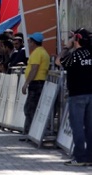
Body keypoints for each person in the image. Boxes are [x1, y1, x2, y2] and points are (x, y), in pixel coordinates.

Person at [55, 28, 92, 165]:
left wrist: (66, 47)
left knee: (77, 127)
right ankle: (89, 157)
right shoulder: (90, 54)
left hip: (77, 95)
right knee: (90, 127)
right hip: (90, 94)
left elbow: (59, 61)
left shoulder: (75, 56)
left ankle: (80, 157)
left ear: (76, 40)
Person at [21, 32, 50, 136]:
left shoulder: (37, 53)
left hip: (36, 83)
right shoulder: (41, 51)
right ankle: (30, 132)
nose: (28, 42)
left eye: (29, 41)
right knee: (31, 108)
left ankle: (29, 132)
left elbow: (34, 69)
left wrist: (26, 83)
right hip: (38, 83)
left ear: (33, 42)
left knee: (29, 109)